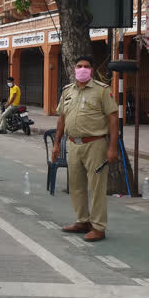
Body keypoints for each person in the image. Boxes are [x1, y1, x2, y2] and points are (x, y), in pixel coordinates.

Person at [53, 55, 118, 242]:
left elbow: (113, 119)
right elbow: (61, 118)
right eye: (79, 66)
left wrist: (112, 147)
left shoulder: (102, 91)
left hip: (95, 144)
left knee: (97, 187)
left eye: (86, 66)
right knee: (75, 185)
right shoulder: (67, 91)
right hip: (73, 144)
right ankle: (82, 221)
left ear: (91, 70)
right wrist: (57, 143)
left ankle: (98, 227)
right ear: (74, 69)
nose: (82, 69)